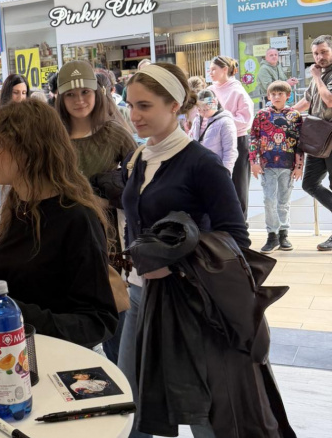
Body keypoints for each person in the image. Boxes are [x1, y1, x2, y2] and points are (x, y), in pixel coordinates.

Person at [121, 63, 290, 438]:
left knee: (205, 410)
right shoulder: (139, 158)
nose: (134, 115)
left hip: (191, 303)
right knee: (134, 401)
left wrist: (176, 267)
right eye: (130, 104)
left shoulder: (202, 164)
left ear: (175, 105)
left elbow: (236, 237)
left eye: (145, 106)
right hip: (141, 295)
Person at [0, 99, 118, 348]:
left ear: (28, 149)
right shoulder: (16, 206)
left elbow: (97, 322)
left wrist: (15, 313)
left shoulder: (77, 218)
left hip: (62, 363)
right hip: (19, 355)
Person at [54, 61, 136, 362]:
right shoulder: (52, 137)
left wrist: (107, 192)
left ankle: (124, 390)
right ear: (60, 99)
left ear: (98, 93)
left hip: (109, 242)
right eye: (70, 94)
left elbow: (136, 179)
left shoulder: (114, 133)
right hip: (64, 240)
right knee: (73, 329)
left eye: (85, 92)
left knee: (117, 322)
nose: (79, 100)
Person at [250, 81, 303, 253]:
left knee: (283, 201)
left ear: (288, 96)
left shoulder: (295, 116)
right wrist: (254, 162)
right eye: (273, 94)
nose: (277, 97)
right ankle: (271, 235)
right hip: (267, 165)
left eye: (280, 94)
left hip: (288, 166)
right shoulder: (261, 115)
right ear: (268, 96)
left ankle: (283, 233)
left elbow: (300, 143)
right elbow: (254, 139)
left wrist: (299, 165)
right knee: (268, 200)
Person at [293, 35, 332, 249]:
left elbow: (329, 100)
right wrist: (286, 111)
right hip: (318, 138)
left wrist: (317, 77)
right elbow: (308, 99)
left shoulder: (322, 74)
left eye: (324, 52)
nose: (319, 57)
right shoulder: (320, 73)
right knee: (309, 183)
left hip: (331, 138)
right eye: (316, 53)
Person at [209, 55, 254, 218]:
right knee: (217, 184)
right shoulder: (210, 90)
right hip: (214, 142)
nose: (210, 72)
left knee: (238, 185)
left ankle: (241, 225)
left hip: (237, 141)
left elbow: (246, 120)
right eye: (209, 69)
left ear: (225, 70)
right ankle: (222, 225)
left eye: (214, 69)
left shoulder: (237, 90)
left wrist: (222, 120)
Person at [190, 89, 238, 175]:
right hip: (198, 168)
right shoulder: (197, 119)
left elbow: (230, 151)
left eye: (206, 109)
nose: (202, 112)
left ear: (214, 104)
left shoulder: (225, 122)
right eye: (200, 110)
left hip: (216, 169)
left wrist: (225, 173)